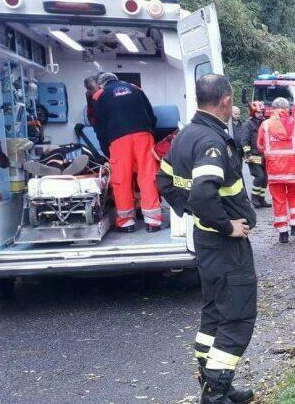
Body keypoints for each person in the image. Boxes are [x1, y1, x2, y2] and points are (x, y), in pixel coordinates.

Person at [156, 74, 257, 404]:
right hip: (225, 244)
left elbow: (163, 179)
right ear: (226, 100)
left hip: (206, 241)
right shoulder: (211, 142)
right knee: (238, 316)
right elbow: (202, 193)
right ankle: (214, 393)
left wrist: (192, 213)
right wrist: (227, 226)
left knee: (214, 311)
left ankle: (214, 385)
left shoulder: (185, 135)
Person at [93, 72, 162, 232]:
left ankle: (126, 222)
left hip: (118, 139)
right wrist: (150, 134)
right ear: (117, 80)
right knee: (147, 175)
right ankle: (153, 221)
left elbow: (100, 127)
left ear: (101, 85)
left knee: (121, 179)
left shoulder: (99, 95)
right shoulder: (136, 88)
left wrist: (106, 150)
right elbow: (152, 116)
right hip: (143, 135)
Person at [257, 97, 295, 243]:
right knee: (294, 196)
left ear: (273, 109)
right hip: (294, 169)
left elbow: (260, 146)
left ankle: (283, 232)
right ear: (287, 109)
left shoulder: (265, 125)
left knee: (278, 200)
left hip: (274, 170)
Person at [235, 101, 270, 208]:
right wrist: (248, 154)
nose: (261, 114)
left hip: (263, 155)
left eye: (261, 112)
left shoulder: (264, 123)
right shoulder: (248, 124)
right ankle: (254, 199)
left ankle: (261, 199)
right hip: (253, 155)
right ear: (253, 112)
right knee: (259, 176)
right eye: (258, 112)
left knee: (265, 178)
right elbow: (244, 141)